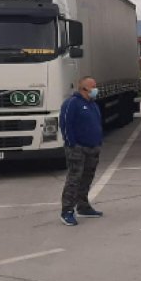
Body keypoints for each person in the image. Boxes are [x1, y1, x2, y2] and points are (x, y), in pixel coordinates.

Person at [59, 76, 105, 226]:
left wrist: (98, 141)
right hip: (77, 149)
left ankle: (83, 206)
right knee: (74, 179)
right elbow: (66, 124)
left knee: (87, 178)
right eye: (93, 86)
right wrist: (72, 144)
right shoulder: (72, 103)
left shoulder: (92, 104)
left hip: (93, 147)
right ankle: (67, 211)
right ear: (84, 89)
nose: (96, 89)